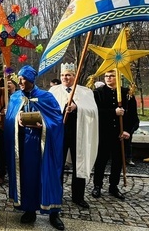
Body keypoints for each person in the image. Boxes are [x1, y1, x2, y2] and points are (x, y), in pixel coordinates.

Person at [5, 66, 65, 230]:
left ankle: (54, 213)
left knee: (48, 176)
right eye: (20, 79)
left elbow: (57, 121)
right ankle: (29, 210)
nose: (21, 82)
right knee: (27, 178)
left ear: (32, 80)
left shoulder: (46, 97)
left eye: (24, 79)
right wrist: (16, 119)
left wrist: (43, 125)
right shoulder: (15, 97)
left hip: (43, 146)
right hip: (24, 146)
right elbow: (9, 120)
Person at [49, 63, 98, 209]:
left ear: (74, 76)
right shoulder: (53, 91)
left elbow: (93, 111)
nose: (65, 78)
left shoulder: (85, 92)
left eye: (68, 75)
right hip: (60, 133)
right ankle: (56, 194)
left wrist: (78, 107)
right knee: (58, 164)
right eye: (63, 75)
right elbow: (48, 109)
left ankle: (78, 196)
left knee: (79, 164)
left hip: (79, 133)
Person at [92, 71, 139, 200]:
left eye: (112, 76)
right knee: (101, 160)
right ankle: (97, 185)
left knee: (118, 161)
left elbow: (133, 117)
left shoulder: (127, 94)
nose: (108, 78)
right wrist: (113, 112)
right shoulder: (98, 93)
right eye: (106, 76)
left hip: (120, 134)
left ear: (118, 77)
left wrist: (128, 131)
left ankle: (113, 186)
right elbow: (95, 112)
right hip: (104, 133)